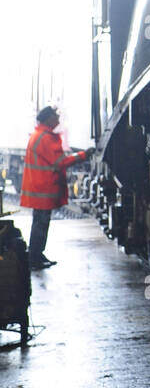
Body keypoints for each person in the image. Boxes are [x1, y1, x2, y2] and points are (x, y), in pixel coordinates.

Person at [20, 106, 93, 271]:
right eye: (55, 116)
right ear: (48, 118)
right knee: (41, 224)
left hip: (39, 187)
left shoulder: (39, 135)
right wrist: (84, 155)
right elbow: (60, 162)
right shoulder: (46, 138)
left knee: (40, 223)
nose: (58, 119)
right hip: (43, 189)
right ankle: (35, 257)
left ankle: (37, 254)